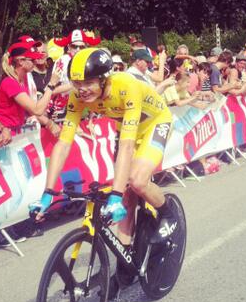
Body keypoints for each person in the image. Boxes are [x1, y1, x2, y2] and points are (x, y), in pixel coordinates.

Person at [30, 48, 178, 259]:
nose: (82, 91)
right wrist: (48, 193)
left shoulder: (126, 87)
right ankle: (125, 259)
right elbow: (63, 144)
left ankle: (167, 213)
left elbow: (126, 146)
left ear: (104, 79)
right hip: (128, 129)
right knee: (127, 198)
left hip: (155, 124)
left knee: (136, 181)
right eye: (77, 84)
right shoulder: (77, 96)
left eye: (88, 83)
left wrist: (114, 196)